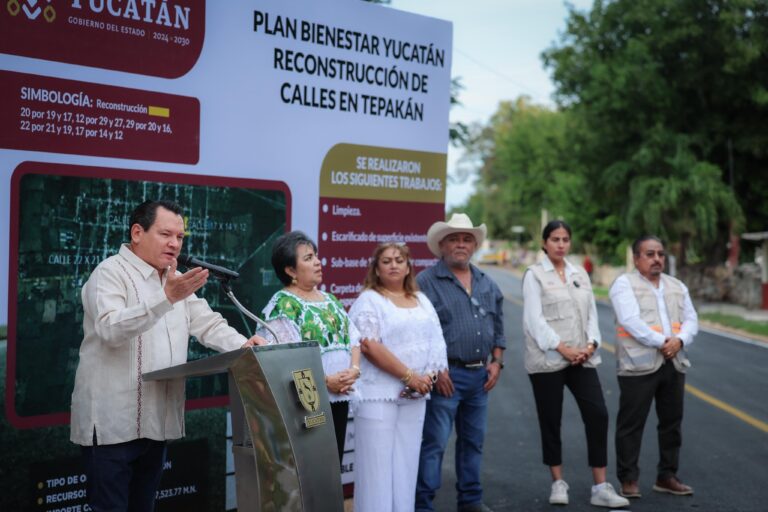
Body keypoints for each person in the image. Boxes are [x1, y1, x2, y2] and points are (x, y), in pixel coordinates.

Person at [70, 200, 266, 512]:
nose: (175, 244)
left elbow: (209, 324)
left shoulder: (175, 279)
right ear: (137, 232)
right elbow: (110, 330)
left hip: (157, 421)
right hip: (111, 426)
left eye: (180, 237)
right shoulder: (108, 274)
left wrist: (244, 346)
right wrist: (165, 299)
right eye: (165, 234)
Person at [522, 220, 629, 508]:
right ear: (544, 243)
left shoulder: (579, 272)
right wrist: (563, 348)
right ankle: (558, 482)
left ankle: (601, 486)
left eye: (565, 239)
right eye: (554, 239)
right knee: (551, 419)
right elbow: (534, 320)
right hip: (548, 359)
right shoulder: (534, 275)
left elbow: (591, 313)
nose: (560, 244)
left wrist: (591, 344)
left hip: (583, 357)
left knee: (598, 414)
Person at [415, 213, 506, 512]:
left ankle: (470, 502)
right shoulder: (425, 282)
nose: (461, 244)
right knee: (434, 446)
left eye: (467, 239)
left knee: (473, 444)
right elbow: (419, 333)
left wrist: (496, 362)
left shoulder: (486, 282)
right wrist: (435, 370)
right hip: (446, 377)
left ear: (474, 246)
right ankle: (423, 505)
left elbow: (499, 326)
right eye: (454, 238)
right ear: (441, 245)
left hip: (480, 377)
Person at [348, 243, 448, 512]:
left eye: (399, 260)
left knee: (406, 468)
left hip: (415, 396)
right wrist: (409, 377)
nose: (393, 265)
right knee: (376, 472)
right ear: (376, 269)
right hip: (377, 396)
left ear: (408, 266)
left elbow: (437, 342)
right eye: (386, 261)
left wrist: (426, 378)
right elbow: (368, 345)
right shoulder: (369, 300)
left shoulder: (422, 299)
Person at [610, 235, 698, 499]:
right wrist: (663, 342)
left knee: (672, 423)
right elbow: (630, 321)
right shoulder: (624, 284)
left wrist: (680, 340)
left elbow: (692, 319)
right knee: (631, 425)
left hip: (674, 363)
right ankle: (629, 479)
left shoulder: (677, 286)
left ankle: (667, 476)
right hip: (638, 365)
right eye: (649, 254)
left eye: (660, 253)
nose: (657, 259)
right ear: (637, 258)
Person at [262, 230, 360, 463]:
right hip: (306, 403)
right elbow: (286, 360)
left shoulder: (330, 300)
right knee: (311, 470)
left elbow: (354, 339)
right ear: (290, 270)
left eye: (316, 256)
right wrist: (327, 382)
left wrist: (354, 370)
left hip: (340, 396)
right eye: (308, 258)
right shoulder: (282, 305)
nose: (318, 262)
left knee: (331, 466)